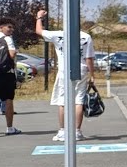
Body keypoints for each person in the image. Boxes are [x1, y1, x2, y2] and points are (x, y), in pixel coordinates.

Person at [35, 9, 96, 141]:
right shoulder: (85, 37)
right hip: (82, 69)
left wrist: (39, 18)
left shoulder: (59, 35)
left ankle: (63, 131)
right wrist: (92, 75)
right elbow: (89, 58)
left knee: (62, 101)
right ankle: (77, 131)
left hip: (64, 70)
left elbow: (39, 31)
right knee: (79, 100)